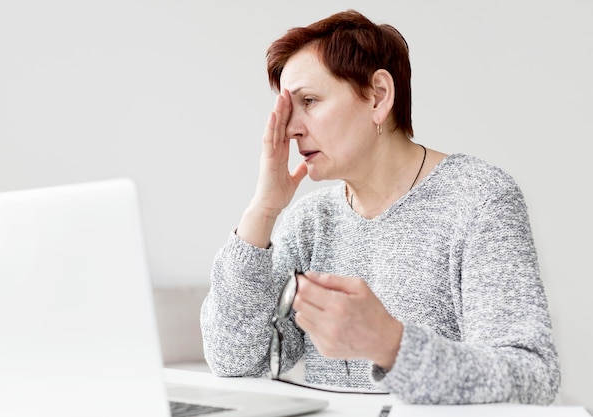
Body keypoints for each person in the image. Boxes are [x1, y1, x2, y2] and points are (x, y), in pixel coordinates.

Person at [200, 9, 560, 405]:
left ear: (378, 96)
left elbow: (533, 377)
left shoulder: (479, 199)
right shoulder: (310, 222)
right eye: (287, 109)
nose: (291, 128)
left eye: (309, 101)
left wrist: (391, 343)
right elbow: (233, 359)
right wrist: (263, 211)